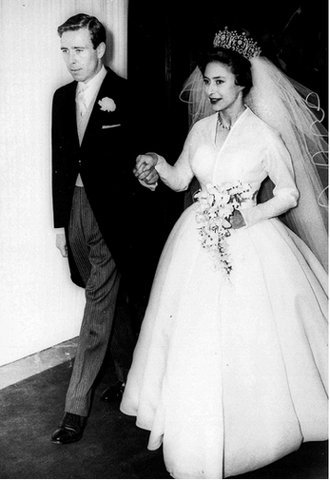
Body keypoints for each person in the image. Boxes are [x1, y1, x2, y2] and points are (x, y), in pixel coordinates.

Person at [120, 27, 328, 479]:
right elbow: (179, 180)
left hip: (251, 244)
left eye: (219, 82)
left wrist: (246, 217)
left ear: (241, 84)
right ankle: (194, 428)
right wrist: (153, 164)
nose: (210, 90)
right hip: (196, 242)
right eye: (207, 81)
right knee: (194, 335)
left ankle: (254, 431)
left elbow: (289, 195)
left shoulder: (265, 136)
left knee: (251, 339)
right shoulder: (199, 130)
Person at [50, 13, 158, 445]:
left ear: (99, 50)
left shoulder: (126, 95)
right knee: (102, 295)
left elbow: (148, 151)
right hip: (74, 208)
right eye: (65, 51)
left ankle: (75, 407)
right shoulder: (60, 98)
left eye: (79, 50)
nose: (72, 61)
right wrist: (59, 223)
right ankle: (131, 376)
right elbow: (59, 164)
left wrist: (148, 166)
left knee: (96, 307)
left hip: (112, 216)